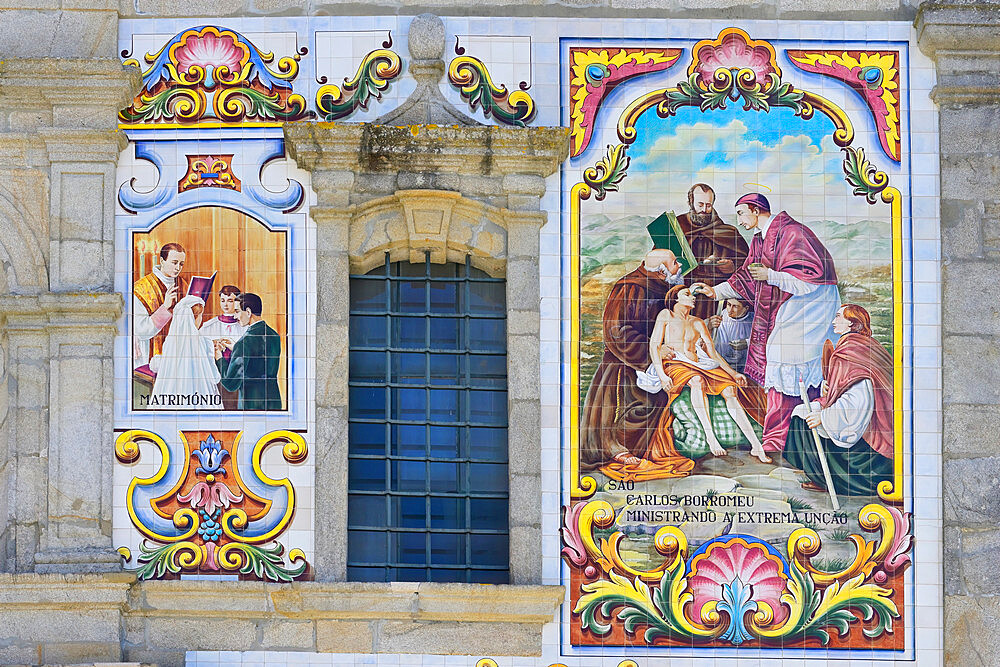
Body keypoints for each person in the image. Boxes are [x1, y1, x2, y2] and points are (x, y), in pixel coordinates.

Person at [694, 193, 840, 454]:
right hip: (791, 304)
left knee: (788, 361)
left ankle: (803, 436)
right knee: (779, 364)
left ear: (755, 209)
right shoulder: (760, 239)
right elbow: (748, 279)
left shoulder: (793, 233)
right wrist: (714, 292)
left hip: (812, 306)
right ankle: (778, 438)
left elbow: (811, 279)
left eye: (741, 213)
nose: (739, 220)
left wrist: (771, 276)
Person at [579, 248, 696, 478]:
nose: (679, 266)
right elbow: (615, 331)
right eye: (674, 263)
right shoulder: (630, 288)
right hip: (627, 365)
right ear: (662, 271)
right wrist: (653, 350)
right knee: (641, 405)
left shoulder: (661, 288)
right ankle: (616, 448)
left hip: (652, 361)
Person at [647, 285, 769, 462]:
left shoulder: (697, 322)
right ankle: (710, 437)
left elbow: (713, 353)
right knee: (697, 381)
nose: (693, 297)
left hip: (700, 363)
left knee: (730, 390)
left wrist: (733, 374)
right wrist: (661, 374)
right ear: (675, 299)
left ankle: (756, 445)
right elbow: (654, 345)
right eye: (687, 294)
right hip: (675, 363)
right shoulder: (666, 315)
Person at [783, 305, 894, 497]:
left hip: (870, 453)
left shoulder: (851, 351)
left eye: (838, 317)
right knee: (801, 412)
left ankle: (828, 479)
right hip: (872, 421)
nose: (834, 321)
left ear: (851, 323)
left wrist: (824, 417)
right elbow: (848, 385)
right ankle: (819, 475)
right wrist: (830, 388)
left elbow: (859, 401)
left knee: (806, 420)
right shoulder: (862, 345)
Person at [676, 184, 749, 319]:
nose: (704, 210)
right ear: (690, 203)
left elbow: (747, 263)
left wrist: (732, 266)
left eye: (708, 205)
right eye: (700, 205)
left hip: (717, 294)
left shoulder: (729, 232)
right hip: (686, 290)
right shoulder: (677, 227)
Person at [147, 295, 222, 410]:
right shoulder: (204, 342)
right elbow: (214, 377)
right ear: (195, 318)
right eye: (200, 316)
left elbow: (161, 365)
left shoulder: (171, 341)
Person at [214, 292, 282, 411]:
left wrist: (219, 358)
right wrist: (236, 348)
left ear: (249, 312)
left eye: (237, 311)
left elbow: (230, 384)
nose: (235, 317)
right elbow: (258, 357)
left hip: (251, 404)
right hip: (274, 401)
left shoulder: (244, 343)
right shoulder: (273, 335)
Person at [133, 242, 188, 369]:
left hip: (178, 354)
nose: (178, 268)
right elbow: (141, 331)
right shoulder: (140, 288)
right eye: (174, 262)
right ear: (162, 261)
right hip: (150, 357)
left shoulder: (183, 285)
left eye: (181, 264)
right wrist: (165, 307)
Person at [200, 285, 247, 410]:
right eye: (223, 300)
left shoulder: (244, 327)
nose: (225, 305)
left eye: (230, 301)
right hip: (214, 376)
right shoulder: (209, 326)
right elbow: (198, 348)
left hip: (235, 378)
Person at [710, 298, 753, 374]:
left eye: (735, 306)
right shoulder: (722, 315)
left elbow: (763, 341)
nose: (730, 310)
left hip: (744, 368)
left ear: (746, 308)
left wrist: (747, 343)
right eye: (729, 305)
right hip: (722, 366)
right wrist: (709, 325)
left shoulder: (753, 320)